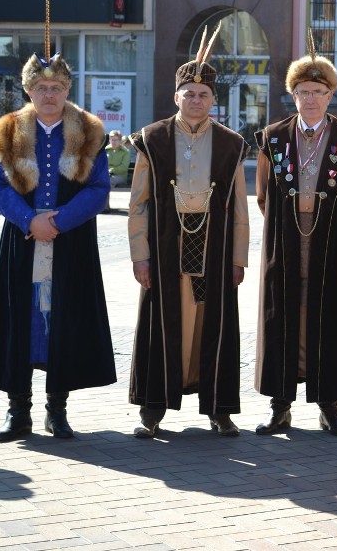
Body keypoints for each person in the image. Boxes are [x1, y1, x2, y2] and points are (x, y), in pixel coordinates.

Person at [0, 51, 116, 442]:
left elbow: (99, 190)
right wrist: (29, 221)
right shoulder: (7, 131)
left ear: (68, 89)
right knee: (19, 322)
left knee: (65, 321)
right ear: (27, 90)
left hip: (70, 240)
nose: (49, 94)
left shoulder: (90, 131)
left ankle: (57, 411)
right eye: (41, 88)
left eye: (56, 87)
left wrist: (56, 222)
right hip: (22, 240)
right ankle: (17, 412)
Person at [127, 24, 248, 438]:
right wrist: (139, 255)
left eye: (204, 95)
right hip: (164, 253)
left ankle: (218, 409)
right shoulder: (152, 139)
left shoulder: (232, 144)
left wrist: (237, 259)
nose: (196, 100)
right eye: (189, 94)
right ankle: (153, 409)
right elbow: (138, 203)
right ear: (175, 96)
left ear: (214, 100)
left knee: (211, 328)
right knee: (163, 327)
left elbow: (240, 211)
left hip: (213, 253)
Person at [253, 37, 337, 437]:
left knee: (328, 318)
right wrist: (289, 227)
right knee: (281, 316)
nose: (311, 99)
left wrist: (331, 231)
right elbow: (263, 195)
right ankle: (280, 406)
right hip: (285, 242)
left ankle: (329, 406)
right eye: (303, 92)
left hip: (330, 244)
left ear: (330, 94)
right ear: (293, 95)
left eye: (319, 92)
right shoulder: (272, 137)